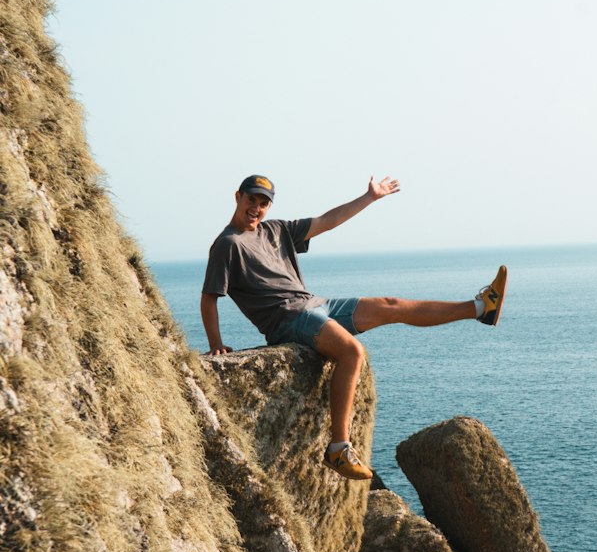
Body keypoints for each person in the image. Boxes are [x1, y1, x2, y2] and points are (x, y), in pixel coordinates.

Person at [201, 174, 506, 481]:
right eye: (251, 199)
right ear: (237, 196)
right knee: (351, 352)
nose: (256, 207)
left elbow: (327, 221)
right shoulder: (227, 245)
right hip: (288, 319)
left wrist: (369, 197)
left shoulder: (275, 230)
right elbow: (209, 297)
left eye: (263, 202)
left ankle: (481, 308)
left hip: (315, 304)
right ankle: (338, 448)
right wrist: (216, 342)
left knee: (391, 305)